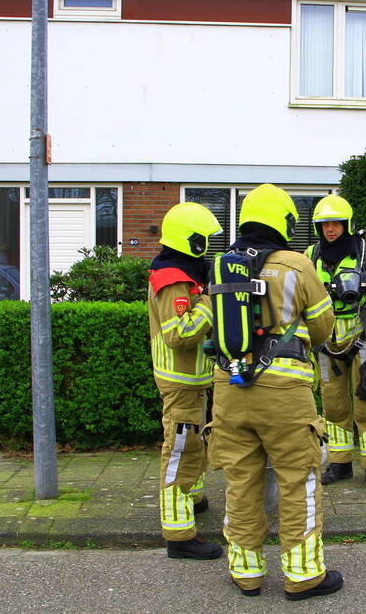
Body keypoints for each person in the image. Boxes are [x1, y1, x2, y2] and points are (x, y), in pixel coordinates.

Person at [207, 184, 342, 600]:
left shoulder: (220, 265)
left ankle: (245, 573)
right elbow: (323, 326)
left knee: (240, 480)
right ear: (284, 221)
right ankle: (303, 576)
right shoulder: (297, 265)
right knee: (297, 478)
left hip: (229, 389)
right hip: (285, 393)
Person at [147, 202, 224, 560]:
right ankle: (179, 536)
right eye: (204, 238)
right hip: (180, 382)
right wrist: (210, 304)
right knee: (178, 451)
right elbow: (179, 333)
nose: (207, 244)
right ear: (190, 240)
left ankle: (192, 498)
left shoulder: (185, 272)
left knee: (193, 443)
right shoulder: (173, 279)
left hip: (191, 380)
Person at [304, 195, 366, 494]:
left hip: (363, 339)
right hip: (325, 343)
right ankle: (339, 463)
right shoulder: (311, 255)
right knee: (333, 405)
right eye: (325, 225)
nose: (330, 230)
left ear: (346, 225)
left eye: (336, 224)